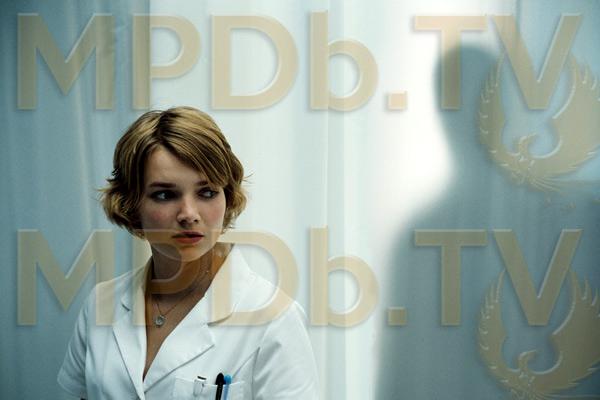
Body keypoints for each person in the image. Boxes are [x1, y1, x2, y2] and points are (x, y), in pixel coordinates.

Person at [57, 106, 319, 399]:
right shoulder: (100, 305)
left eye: (206, 192)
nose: (189, 214)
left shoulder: (275, 318)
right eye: (165, 194)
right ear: (131, 204)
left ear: (227, 197)